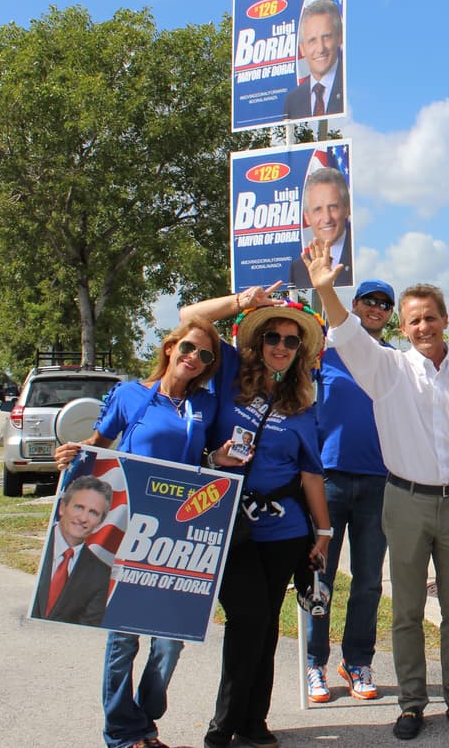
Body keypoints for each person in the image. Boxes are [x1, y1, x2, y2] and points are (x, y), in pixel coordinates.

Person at [304, 239, 449, 741]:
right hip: (404, 501)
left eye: (431, 317)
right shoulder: (386, 368)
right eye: (413, 321)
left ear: (445, 320)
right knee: (406, 612)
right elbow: (345, 333)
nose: (423, 327)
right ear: (402, 328)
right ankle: (411, 704)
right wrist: (324, 287)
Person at [53, 317, 222, 748]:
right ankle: (123, 733)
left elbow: (205, 457)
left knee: (170, 643)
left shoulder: (204, 406)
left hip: (179, 535)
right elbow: (98, 445)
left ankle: (144, 720)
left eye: (205, 355)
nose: (194, 358)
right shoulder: (131, 394)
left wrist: (218, 456)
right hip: (129, 529)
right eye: (188, 347)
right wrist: (72, 454)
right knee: (124, 639)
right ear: (170, 347)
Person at [178, 285, 333, 748]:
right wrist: (243, 303)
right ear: (257, 342)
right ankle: (222, 724)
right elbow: (190, 315)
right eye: (273, 338)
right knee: (247, 617)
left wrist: (322, 532)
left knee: (266, 624)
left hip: (285, 530)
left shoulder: (304, 403)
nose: (281, 347)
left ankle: (253, 722)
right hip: (229, 523)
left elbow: (310, 475)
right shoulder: (228, 373)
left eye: (290, 341)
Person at [303, 279, 396, 705]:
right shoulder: (322, 352)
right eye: (369, 301)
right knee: (318, 579)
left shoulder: (394, 360)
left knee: (368, 582)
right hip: (327, 480)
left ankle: (357, 661)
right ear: (354, 305)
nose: (376, 308)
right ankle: (314, 664)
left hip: (378, 482)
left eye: (384, 304)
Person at [31, 476, 113, 626]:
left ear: (100, 522)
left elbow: (88, 627)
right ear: (62, 507)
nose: (83, 518)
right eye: (79, 507)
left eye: (93, 513)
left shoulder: (101, 574)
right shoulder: (35, 549)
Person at [288, 166, 353, 288]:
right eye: (318, 209)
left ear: (346, 209)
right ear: (307, 217)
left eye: (333, 207)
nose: (327, 218)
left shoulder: (357, 256)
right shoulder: (298, 268)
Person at [283, 0, 345, 119]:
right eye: (312, 40)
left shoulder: (347, 85)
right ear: (302, 48)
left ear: (339, 38)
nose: (320, 48)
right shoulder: (292, 100)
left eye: (326, 37)